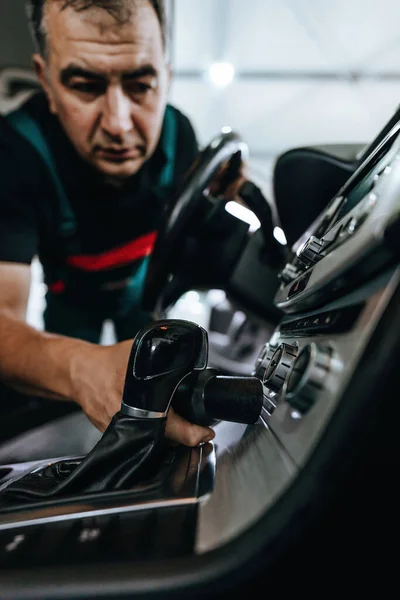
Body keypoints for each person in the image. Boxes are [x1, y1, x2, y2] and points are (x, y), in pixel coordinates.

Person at [0, 0, 216, 448]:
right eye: (84, 85)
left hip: (141, 297)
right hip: (71, 302)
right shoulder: (15, 152)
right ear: (46, 82)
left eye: (140, 85)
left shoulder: (181, 136)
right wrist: (79, 369)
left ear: (167, 76)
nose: (119, 124)